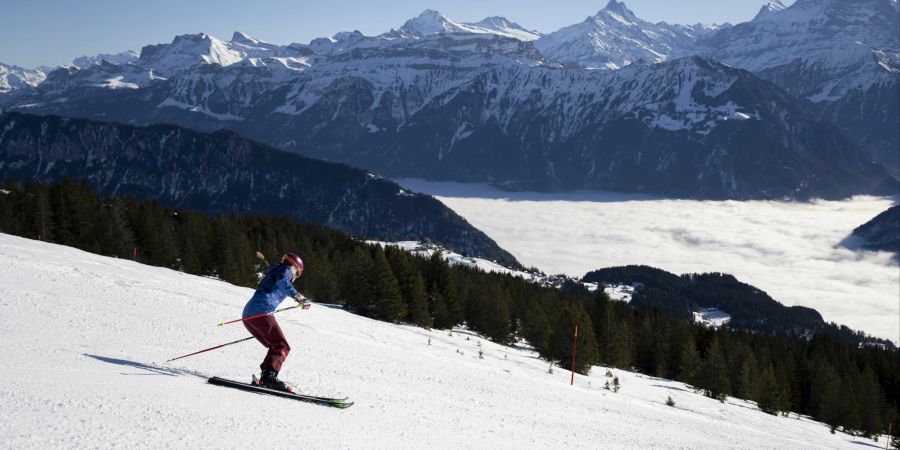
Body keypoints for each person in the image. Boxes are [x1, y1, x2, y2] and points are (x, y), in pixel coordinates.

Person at [242, 252, 310, 392]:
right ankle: (269, 378)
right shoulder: (286, 270)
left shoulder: (277, 270)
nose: (296, 275)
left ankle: (266, 376)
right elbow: (283, 282)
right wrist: (299, 297)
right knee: (282, 346)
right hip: (262, 311)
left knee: (275, 346)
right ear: (297, 268)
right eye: (298, 272)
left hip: (249, 313)